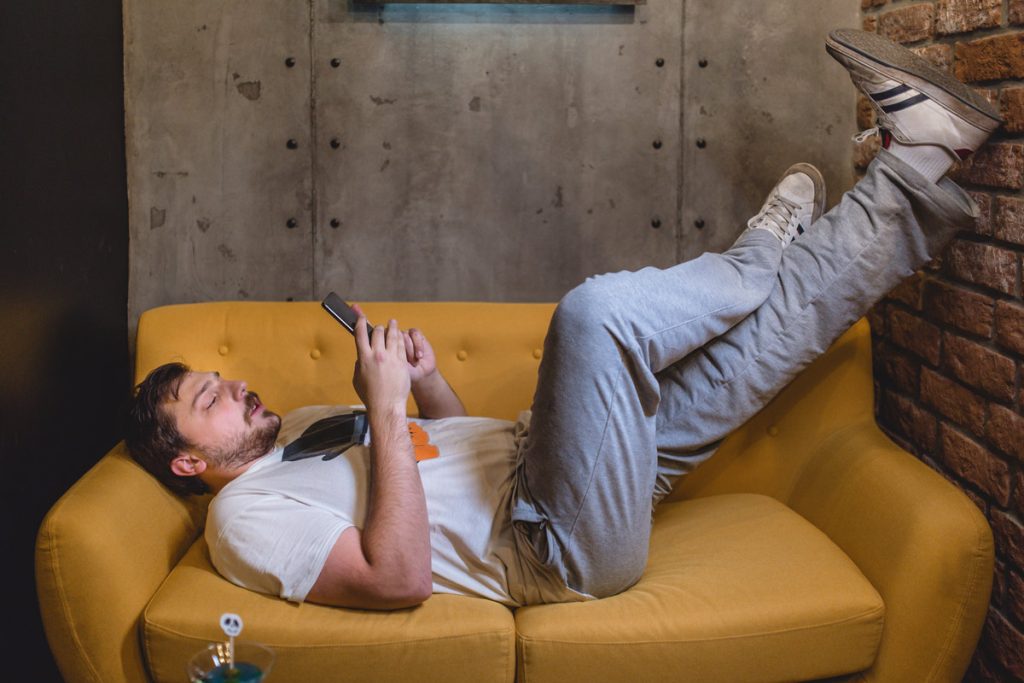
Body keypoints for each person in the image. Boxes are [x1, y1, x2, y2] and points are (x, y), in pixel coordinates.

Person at [125, 29, 1002, 610]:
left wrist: (424, 381)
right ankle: (755, 253)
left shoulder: (310, 431)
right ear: (189, 459)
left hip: (554, 463)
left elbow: (446, 451)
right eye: (210, 396)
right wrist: (384, 409)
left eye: (221, 380)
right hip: (554, 544)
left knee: (762, 346)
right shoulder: (243, 522)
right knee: (591, 316)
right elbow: (396, 579)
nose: (234, 385)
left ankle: (927, 152)